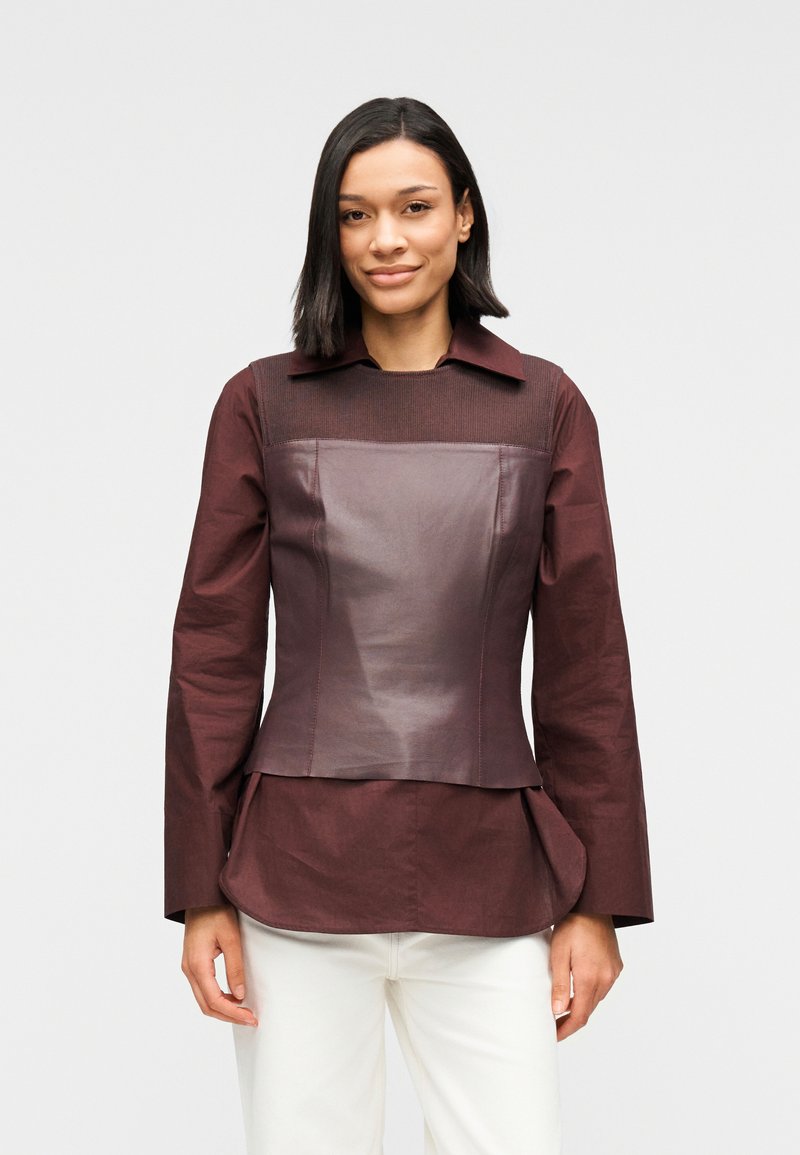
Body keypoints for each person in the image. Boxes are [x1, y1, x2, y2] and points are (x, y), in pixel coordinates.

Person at [164, 95, 654, 1155]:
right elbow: (213, 657)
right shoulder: (262, 403)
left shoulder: (542, 406)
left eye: (414, 207)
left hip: (492, 878)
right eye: (355, 215)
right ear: (328, 231)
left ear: (464, 215)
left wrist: (598, 903)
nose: (384, 239)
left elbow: (585, 666)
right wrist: (199, 891)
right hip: (295, 876)